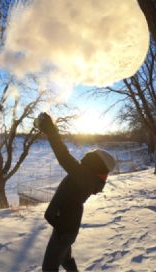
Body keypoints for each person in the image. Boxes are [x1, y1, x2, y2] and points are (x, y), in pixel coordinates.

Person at [35, 112, 116, 272]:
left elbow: (63, 156)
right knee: (65, 259)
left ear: (96, 162)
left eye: (91, 156)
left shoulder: (84, 176)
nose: (87, 156)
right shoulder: (88, 176)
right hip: (66, 225)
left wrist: (51, 131)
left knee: (49, 268)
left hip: (65, 228)